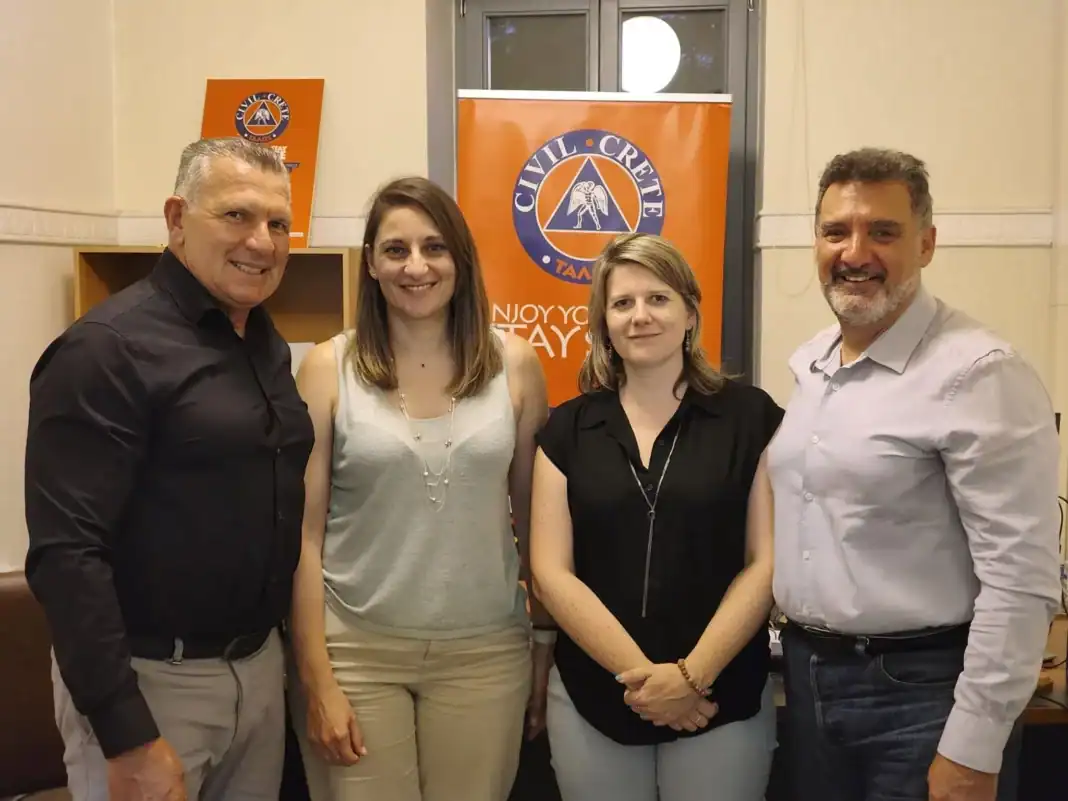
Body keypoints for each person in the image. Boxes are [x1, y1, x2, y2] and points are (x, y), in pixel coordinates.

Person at [23, 137, 315, 801]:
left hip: (256, 673)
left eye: (278, 224)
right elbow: (68, 553)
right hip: (152, 684)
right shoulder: (106, 350)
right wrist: (127, 735)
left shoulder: (261, 338)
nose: (262, 242)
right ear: (177, 218)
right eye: (236, 215)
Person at [767, 147, 1062, 801]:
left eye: (883, 231)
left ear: (926, 244)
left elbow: (1021, 581)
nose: (855, 252)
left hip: (924, 697)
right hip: (810, 684)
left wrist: (973, 747)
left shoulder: (978, 373)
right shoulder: (812, 365)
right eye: (836, 231)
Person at [287, 175, 552, 801]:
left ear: (461, 259)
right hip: (355, 653)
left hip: (485, 652)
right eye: (395, 249)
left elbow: (536, 527)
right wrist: (316, 678)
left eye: (434, 247)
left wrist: (544, 645)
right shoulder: (327, 368)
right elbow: (302, 537)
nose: (416, 266)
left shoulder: (516, 365)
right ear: (371, 264)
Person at [528, 232, 782, 801]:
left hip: (720, 697)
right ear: (604, 322)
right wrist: (649, 684)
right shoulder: (566, 429)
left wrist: (691, 679)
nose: (640, 316)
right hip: (597, 696)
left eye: (658, 299)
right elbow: (550, 573)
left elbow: (765, 562)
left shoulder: (752, 419)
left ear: (690, 312)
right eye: (622, 303)